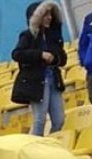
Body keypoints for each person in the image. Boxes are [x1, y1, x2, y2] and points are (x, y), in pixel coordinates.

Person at [13, 2, 67, 136]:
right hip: (36, 82)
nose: (49, 17)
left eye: (50, 14)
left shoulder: (54, 36)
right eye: (45, 14)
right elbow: (17, 54)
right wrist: (40, 55)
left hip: (53, 80)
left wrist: (54, 58)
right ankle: (35, 149)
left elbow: (63, 58)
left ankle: (49, 146)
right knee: (40, 119)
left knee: (59, 120)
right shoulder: (27, 35)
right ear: (37, 17)